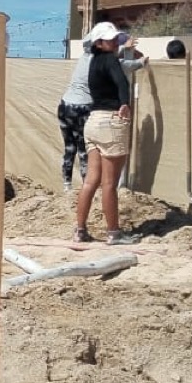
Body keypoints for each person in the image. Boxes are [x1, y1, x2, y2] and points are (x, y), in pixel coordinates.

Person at [58, 22, 146, 190]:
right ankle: (88, 186)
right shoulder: (102, 60)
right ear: (98, 42)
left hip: (65, 105)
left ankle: (67, 186)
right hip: (83, 107)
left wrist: (125, 49)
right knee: (85, 151)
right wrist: (141, 61)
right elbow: (124, 67)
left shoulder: (85, 57)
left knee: (70, 147)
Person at [72, 21, 137, 244]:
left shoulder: (93, 61)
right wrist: (124, 103)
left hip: (93, 121)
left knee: (91, 181)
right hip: (110, 121)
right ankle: (114, 233)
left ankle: (80, 230)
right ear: (99, 42)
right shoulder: (110, 60)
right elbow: (122, 83)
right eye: (111, 39)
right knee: (110, 183)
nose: (115, 42)